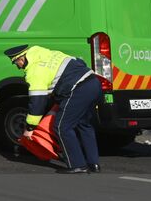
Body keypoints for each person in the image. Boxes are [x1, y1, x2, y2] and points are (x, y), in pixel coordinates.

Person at [6, 45, 101, 174]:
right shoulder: (48, 53)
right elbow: (79, 62)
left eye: (16, 63)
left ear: (21, 59)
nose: (18, 66)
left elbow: (37, 103)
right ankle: (93, 163)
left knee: (62, 127)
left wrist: (29, 128)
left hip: (78, 90)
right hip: (93, 83)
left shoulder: (34, 72)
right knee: (84, 124)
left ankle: (78, 165)